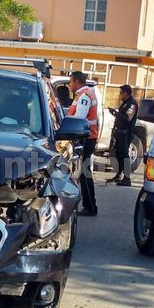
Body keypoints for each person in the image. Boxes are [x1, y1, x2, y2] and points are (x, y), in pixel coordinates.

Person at [67, 71, 99, 216]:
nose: (69, 84)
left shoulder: (84, 96)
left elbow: (79, 118)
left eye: (70, 81)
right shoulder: (85, 94)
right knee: (83, 173)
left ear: (77, 81)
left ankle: (91, 206)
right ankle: (89, 205)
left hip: (85, 138)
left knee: (84, 174)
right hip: (88, 138)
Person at [108, 85, 138, 186]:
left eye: (121, 93)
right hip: (119, 132)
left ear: (126, 93)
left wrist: (115, 113)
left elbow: (127, 117)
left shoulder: (132, 104)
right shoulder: (125, 104)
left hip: (126, 133)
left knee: (124, 155)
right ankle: (119, 175)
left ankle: (127, 178)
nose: (120, 95)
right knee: (118, 154)